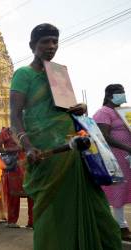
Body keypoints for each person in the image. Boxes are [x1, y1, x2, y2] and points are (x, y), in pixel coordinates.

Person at [9, 23, 121, 249]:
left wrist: (79, 107)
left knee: (95, 206)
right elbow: (14, 116)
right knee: (54, 209)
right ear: (33, 46)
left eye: (55, 41)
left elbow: (66, 108)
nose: (51, 46)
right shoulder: (24, 74)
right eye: (45, 42)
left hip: (73, 147)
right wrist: (28, 146)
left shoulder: (58, 72)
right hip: (47, 152)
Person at [94, 84, 131, 241]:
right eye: (119, 93)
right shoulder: (104, 112)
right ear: (109, 95)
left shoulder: (124, 111)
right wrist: (126, 147)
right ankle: (120, 227)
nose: (122, 95)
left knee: (125, 189)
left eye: (123, 92)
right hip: (115, 158)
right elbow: (104, 136)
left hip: (127, 157)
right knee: (118, 191)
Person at [0, 127, 33, 228]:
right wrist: (14, 149)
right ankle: (12, 221)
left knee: (32, 193)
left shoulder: (30, 129)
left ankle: (32, 222)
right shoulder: (6, 132)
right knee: (13, 195)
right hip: (14, 167)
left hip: (29, 165)